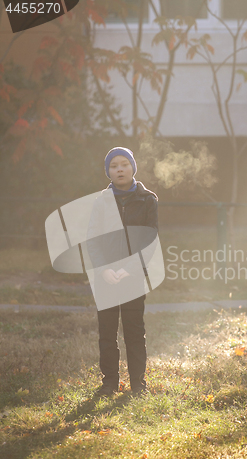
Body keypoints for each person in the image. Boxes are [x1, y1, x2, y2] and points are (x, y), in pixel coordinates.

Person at [89, 147, 158, 396]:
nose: (119, 169)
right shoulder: (100, 202)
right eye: (114, 165)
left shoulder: (148, 200)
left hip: (133, 275)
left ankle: (138, 384)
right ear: (108, 171)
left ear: (133, 168)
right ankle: (109, 383)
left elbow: (150, 240)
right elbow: (93, 241)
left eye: (124, 164)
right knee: (107, 331)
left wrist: (131, 269)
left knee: (134, 331)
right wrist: (104, 269)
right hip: (105, 276)